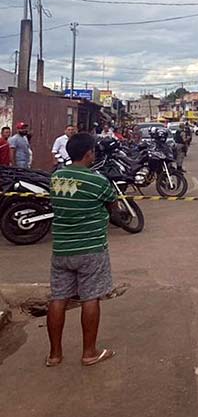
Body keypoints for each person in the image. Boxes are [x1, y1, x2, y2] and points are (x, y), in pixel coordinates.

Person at [46, 131, 118, 368]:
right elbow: (113, 206)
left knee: (58, 299)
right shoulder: (97, 180)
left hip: (62, 249)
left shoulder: (56, 178)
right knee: (90, 298)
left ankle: (54, 355)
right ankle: (89, 353)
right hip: (91, 249)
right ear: (89, 153)